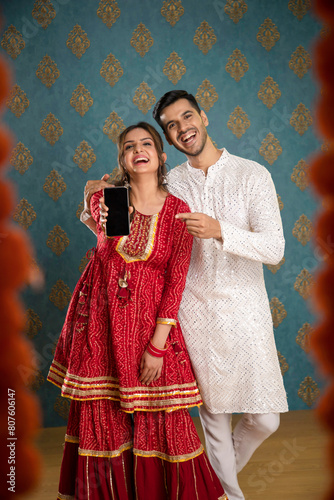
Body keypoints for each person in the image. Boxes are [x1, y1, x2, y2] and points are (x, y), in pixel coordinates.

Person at [82, 90, 289, 500]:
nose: (182, 129)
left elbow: (275, 249)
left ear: (204, 117)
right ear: (168, 139)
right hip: (190, 314)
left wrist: (220, 231)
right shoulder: (169, 181)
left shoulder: (252, 174)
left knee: (266, 419)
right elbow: (118, 237)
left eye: (187, 117)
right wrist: (92, 192)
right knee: (213, 418)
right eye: (171, 126)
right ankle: (229, 496)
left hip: (246, 311)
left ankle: (209, 484)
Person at [48, 121, 227, 500]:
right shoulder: (112, 201)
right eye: (129, 146)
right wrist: (92, 199)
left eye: (147, 143)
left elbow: (175, 281)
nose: (138, 149)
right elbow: (112, 260)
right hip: (103, 325)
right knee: (105, 413)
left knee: (163, 419)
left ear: (161, 158)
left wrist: (157, 347)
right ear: (124, 160)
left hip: (152, 330)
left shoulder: (179, 211)